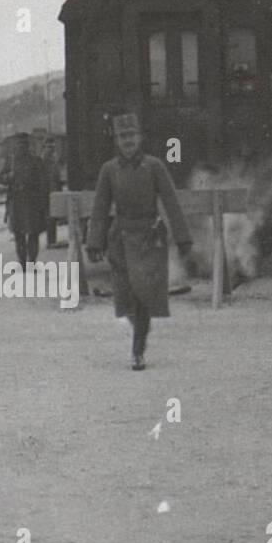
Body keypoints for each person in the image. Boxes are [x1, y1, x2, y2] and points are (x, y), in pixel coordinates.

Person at [85, 111, 192, 371]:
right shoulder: (109, 170)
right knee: (125, 297)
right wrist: (95, 242)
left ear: (140, 137)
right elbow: (100, 207)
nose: (128, 141)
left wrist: (182, 237)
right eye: (122, 136)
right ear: (116, 141)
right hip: (120, 238)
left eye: (131, 135)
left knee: (143, 295)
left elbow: (171, 202)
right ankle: (139, 334)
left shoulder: (154, 166)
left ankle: (137, 350)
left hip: (149, 238)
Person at [0, 132, 49, 265]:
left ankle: (32, 261)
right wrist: (9, 176)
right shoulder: (11, 161)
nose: (22, 147)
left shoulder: (36, 161)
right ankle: (22, 262)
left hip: (32, 202)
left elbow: (44, 182)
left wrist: (42, 202)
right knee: (18, 235)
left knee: (33, 234)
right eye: (19, 144)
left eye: (24, 144)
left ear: (28, 146)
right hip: (16, 202)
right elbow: (1, 178)